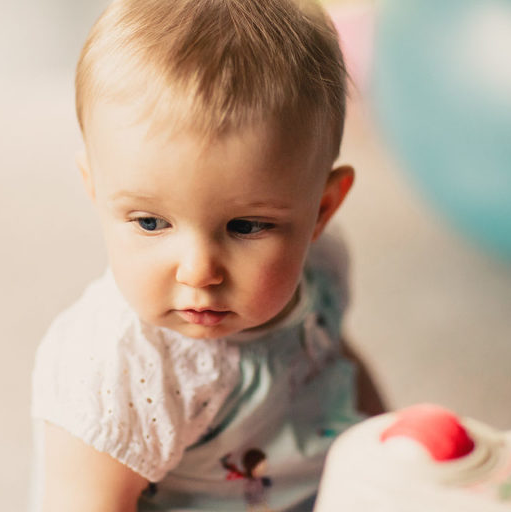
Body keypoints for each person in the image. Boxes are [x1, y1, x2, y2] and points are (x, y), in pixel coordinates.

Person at [30, 0, 385, 510]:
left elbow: (337, 360)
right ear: (95, 189)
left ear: (320, 211)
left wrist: (390, 444)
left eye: (245, 227)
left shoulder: (317, 264)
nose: (199, 271)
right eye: (151, 222)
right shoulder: (118, 369)